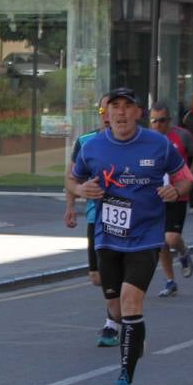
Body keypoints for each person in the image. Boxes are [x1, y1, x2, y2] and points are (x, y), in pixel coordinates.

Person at [68, 86, 193, 385]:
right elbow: (71, 180)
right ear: (106, 114)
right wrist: (80, 189)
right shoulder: (91, 147)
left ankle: (124, 378)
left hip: (145, 237)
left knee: (130, 301)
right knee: (115, 308)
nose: (121, 112)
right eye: (115, 107)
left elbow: (185, 178)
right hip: (108, 237)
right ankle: (133, 334)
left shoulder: (158, 144)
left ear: (139, 112)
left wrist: (175, 191)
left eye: (128, 106)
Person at [64, 94, 121, 346]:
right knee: (98, 277)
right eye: (107, 108)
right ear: (101, 112)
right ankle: (121, 311)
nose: (112, 114)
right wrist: (70, 205)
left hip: (127, 220)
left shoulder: (133, 142)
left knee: (119, 272)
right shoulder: (86, 142)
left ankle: (113, 323)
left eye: (118, 108)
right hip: (95, 217)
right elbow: (72, 177)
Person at [149, 100, 193, 297]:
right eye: (154, 121)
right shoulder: (146, 139)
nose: (157, 125)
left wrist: (188, 174)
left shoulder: (181, 135)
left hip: (177, 195)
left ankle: (182, 251)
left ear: (169, 120)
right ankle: (170, 280)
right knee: (160, 242)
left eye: (162, 120)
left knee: (171, 238)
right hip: (155, 197)